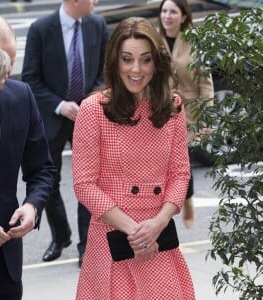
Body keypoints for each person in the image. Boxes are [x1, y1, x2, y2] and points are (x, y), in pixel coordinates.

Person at [72, 16, 195, 299]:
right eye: (127, 59)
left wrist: (157, 223)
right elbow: (84, 184)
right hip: (112, 236)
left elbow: (180, 173)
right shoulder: (93, 109)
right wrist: (135, 232)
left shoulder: (172, 105)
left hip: (158, 235)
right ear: (115, 61)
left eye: (145, 59)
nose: (136, 69)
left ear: (157, 62)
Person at [22, 0, 109, 267]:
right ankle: (61, 236)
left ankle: (86, 245)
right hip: (52, 118)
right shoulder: (41, 28)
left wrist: (88, 102)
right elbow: (30, 78)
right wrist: (60, 106)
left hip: (88, 114)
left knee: (88, 182)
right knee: (46, 181)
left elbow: (105, 73)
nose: (96, 1)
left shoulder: (98, 24)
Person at [0, 16, 55, 300]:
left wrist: (32, 206)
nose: (7, 75)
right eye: (0, 63)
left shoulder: (20, 96)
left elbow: (42, 168)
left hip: (5, 265)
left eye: (11, 62)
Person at [158, 0, 215, 228]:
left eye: (173, 11)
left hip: (189, 112)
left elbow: (206, 83)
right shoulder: (153, 40)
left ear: (183, 16)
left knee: (182, 162)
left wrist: (206, 115)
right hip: (161, 110)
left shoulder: (194, 40)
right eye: (164, 11)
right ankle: (173, 202)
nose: (167, 16)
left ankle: (187, 199)